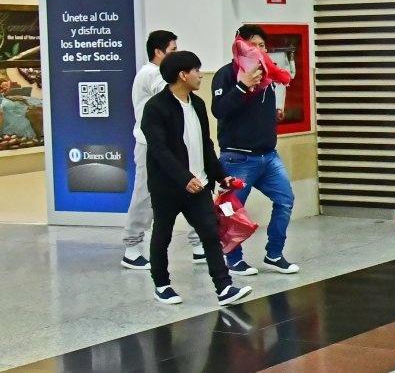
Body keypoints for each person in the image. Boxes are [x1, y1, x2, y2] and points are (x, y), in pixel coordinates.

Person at [143, 51, 252, 306]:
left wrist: (221, 176)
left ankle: (224, 287)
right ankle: (162, 284)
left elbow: (206, 145)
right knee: (163, 235)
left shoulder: (198, 104)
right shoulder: (156, 108)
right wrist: (183, 178)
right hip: (168, 187)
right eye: (196, 70)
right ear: (183, 75)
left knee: (210, 234)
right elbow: (159, 149)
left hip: (199, 185)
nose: (201, 75)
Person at [212, 25, 299, 277]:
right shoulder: (226, 74)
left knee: (285, 200)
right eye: (254, 45)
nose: (260, 50)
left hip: (268, 156)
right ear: (241, 46)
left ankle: (274, 253)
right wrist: (242, 86)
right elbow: (219, 110)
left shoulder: (267, 76)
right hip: (238, 157)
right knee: (232, 210)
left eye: (263, 46)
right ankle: (234, 259)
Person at [122, 30, 206, 270]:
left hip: (177, 147)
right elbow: (173, 93)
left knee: (195, 188)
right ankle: (132, 247)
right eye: (173, 51)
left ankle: (199, 243)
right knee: (145, 196)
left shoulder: (162, 75)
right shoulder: (150, 74)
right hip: (151, 148)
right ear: (158, 52)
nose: (176, 55)